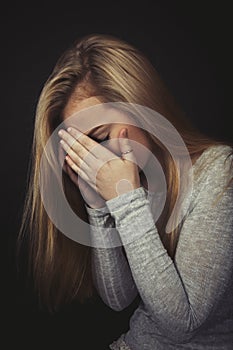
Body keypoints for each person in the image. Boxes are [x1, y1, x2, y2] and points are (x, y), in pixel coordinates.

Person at [18, 33, 233, 349]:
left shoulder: (219, 171)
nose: (95, 162)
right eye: (81, 149)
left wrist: (125, 201)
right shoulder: (137, 181)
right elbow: (118, 298)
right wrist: (98, 206)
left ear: (140, 104)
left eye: (101, 136)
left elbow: (182, 324)